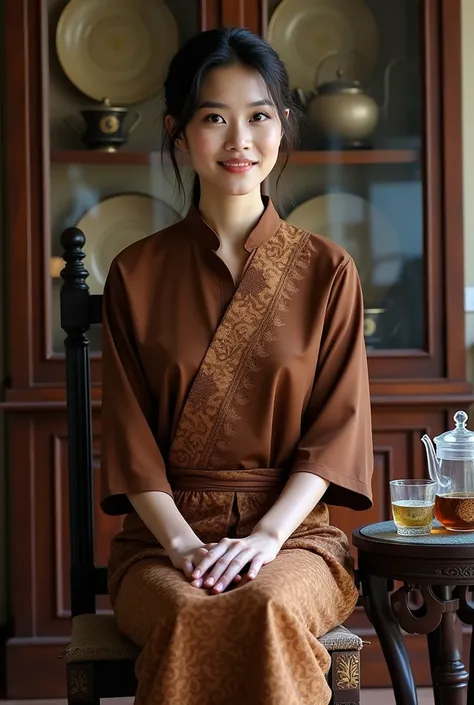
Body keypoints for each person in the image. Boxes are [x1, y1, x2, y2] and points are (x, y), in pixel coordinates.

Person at [100, 26, 374, 705]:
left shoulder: (327, 270)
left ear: (282, 125)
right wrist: (185, 545)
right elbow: (130, 443)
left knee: (268, 608)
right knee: (192, 610)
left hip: (296, 539)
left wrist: (267, 538)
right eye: (214, 118)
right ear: (179, 131)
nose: (239, 140)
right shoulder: (135, 272)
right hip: (165, 540)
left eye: (258, 116)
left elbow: (336, 432)